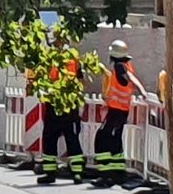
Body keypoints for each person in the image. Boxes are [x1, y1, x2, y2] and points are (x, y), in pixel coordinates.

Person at [34, 43, 87, 185]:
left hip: (54, 105)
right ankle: (77, 173)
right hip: (69, 105)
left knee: (50, 140)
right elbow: (81, 81)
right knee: (71, 140)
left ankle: (51, 173)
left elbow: (43, 81)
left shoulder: (49, 59)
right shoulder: (74, 59)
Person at [94, 41, 138, 186]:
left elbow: (124, 81)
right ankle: (118, 174)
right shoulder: (127, 66)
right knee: (115, 141)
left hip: (116, 110)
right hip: (122, 110)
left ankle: (106, 175)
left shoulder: (119, 67)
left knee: (101, 139)